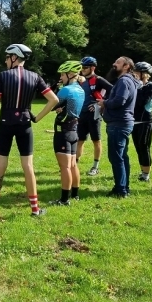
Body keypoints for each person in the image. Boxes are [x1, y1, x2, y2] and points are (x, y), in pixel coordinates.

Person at [0, 44, 59, 218]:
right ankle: (35, 209)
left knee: (1, 166)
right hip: (25, 124)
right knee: (28, 166)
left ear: (14, 57)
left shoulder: (3, 76)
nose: (5, 60)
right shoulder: (35, 76)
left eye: (7, 56)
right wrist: (37, 118)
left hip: (5, 123)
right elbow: (53, 99)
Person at [96, 57, 139, 198]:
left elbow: (120, 100)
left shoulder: (124, 81)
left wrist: (104, 103)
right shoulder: (129, 80)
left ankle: (121, 190)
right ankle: (123, 186)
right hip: (122, 123)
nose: (114, 64)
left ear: (126, 66)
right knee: (121, 156)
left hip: (118, 124)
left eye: (118, 63)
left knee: (116, 157)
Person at [49, 61, 85, 206]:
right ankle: (75, 194)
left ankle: (64, 200)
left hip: (62, 132)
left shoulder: (65, 90)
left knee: (64, 167)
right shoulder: (81, 90)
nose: (61, 77)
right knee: (73, 165)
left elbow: (52, 105)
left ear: (70, 74)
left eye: (63, 74)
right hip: (74, 131)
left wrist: (56, 90)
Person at [77, 56, 113, 176]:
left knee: (96, 140)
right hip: (81, 115)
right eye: (81, 67)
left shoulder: (98, 79)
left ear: (93, 67)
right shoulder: (80, 80)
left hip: (94, 115)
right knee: (79, 140)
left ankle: (95, 167)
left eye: (85, 67)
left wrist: (100, 104)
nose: (83, 69)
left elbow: (113, 91)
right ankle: (74, 164)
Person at [132, 62, 152, 182]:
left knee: (144, 147)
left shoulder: (151, 87)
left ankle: (146, 175)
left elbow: (141, 102)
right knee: (138, 147)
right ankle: (142, 171)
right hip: (134, 121)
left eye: (137, 72)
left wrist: (137, 87)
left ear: (145, 74)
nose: (134, 74)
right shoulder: (134, 85)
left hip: (146, 121)